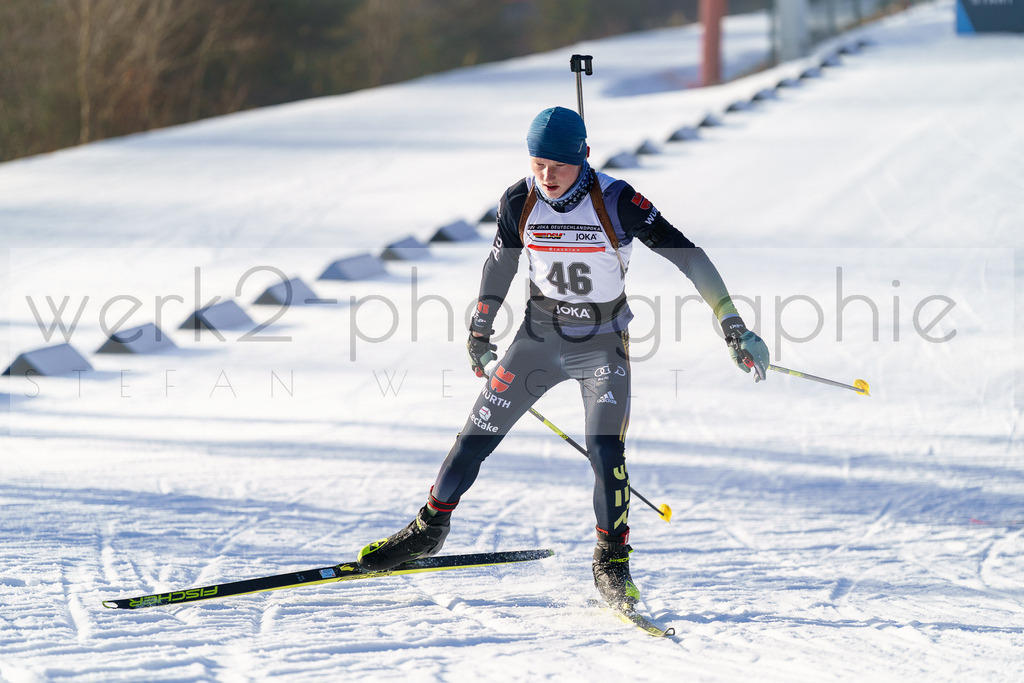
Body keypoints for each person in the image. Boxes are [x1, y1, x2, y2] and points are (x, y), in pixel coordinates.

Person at [357, 106, 769, 611]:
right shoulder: (519, 199)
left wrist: (732, 323)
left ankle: (612, 561)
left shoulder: (617, 200)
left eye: (558, 165)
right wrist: (479, 331)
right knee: (474, 436)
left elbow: (688, 255)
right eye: (537, 163)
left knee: (605, 451)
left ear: (585, 157)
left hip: (600, 346)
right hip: (537, 340)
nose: (546, 176)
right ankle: (429, 527)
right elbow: (499, 265)